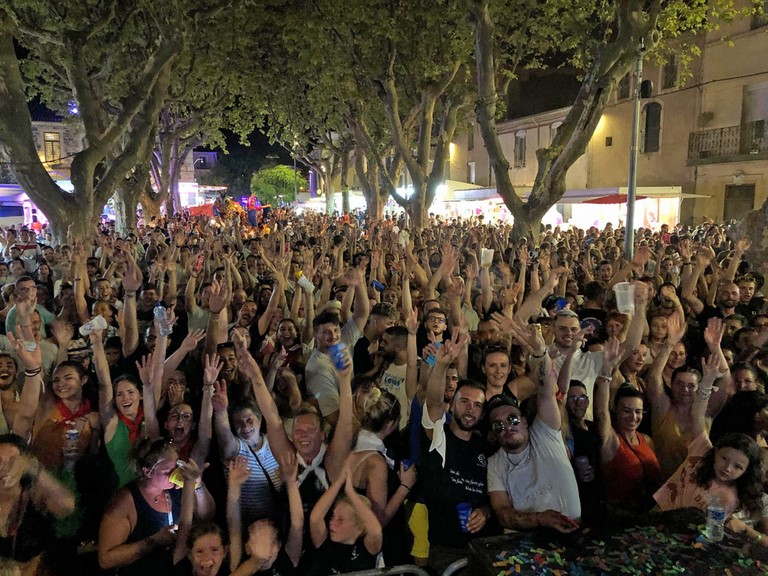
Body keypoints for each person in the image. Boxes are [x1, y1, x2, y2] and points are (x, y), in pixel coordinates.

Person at [487, 320, 581, 532]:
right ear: (494, 434)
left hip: (575, 536)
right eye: (499, 425)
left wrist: (540, 352)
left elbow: (547, 390)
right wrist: (540, 519)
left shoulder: (545, 432)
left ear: (525, 421)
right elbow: (502, 513)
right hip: (528, 547)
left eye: (512, 419)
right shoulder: (496, 464)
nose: (507, 426)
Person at [654, 354, 764, 528]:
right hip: (656, 515)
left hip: (676, 536)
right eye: (724, 458)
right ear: (716, 451)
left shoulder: (728, 497)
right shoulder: (702, 451)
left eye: (738, 467)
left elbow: (710, 533)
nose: (727, 468)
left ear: (746, 471)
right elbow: (698, 415)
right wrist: (707, 381)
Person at [420, 329, 495, 574]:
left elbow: (496, 494)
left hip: (484, 547)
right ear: (452, 404)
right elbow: (432, 402)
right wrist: (441, 365)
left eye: (477, 405)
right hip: (446, 551)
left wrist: (485, 511)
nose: (470, 409)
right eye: (464, 402)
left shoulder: (487, 447)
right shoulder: (439, 437)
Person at [98, 439, 214, 576]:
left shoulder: (176, 488)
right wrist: (154, 541)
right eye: (167, 471)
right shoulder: (125, 500)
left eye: (176, 467)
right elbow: (106, 559)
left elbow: (207, 515)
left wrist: (197, 484)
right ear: (148, 472)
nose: (174, 474)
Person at [595, 337, 664, 516]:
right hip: (619, 518)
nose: (633, 417)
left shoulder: (647, 440)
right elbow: (601, 412)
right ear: (616, 410)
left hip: (649, 516)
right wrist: (606, 372)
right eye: (627, 411)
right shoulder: (610, 440)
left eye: (638, 412)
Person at [227, 452, 303, 576]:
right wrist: (234, 486)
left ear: (277, 546)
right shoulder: (240, 563)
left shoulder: (287, 558)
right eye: (255, 532)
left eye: (268, 534)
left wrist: (291, 483)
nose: (260, 529)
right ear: (247, 547)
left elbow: (297, 524)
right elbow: (233, 524)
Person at [308, 462, 382, 576]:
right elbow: (315, 518)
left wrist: (351, 493)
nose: (332, 523)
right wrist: (339, 482)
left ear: (359, 527)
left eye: (340, 520)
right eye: (333, 516)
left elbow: (375, 531)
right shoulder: (326, 544)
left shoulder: (366, 548)